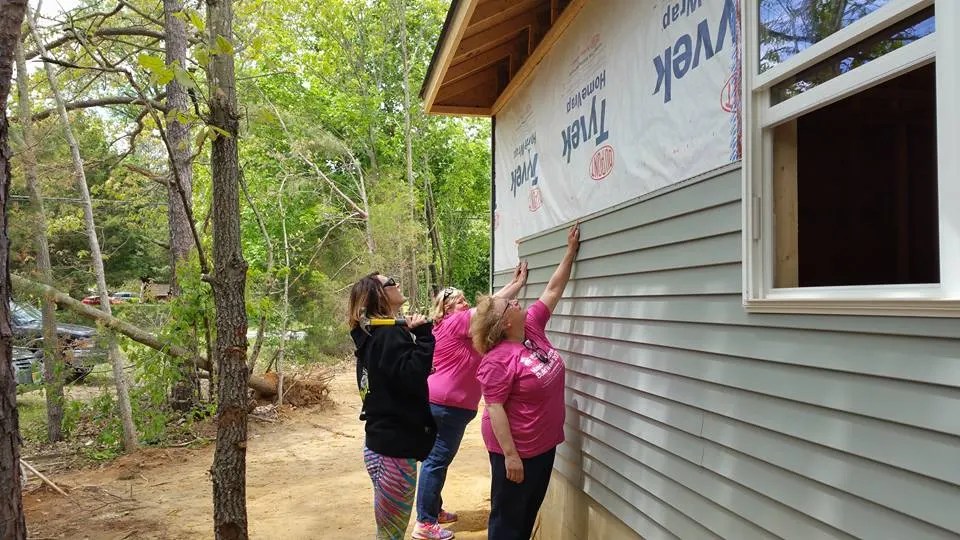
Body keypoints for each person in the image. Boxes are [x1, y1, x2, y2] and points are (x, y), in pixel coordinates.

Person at [470, 222, 580, 540]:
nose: (517, 303)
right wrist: (510, 455)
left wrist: (570, 252)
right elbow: (494, 408)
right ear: (505, 321)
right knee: (507, 523)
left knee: (527, 513)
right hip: (518, 452)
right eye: (511, 304)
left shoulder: (530, 327)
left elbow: (553, 290)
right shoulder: (498, 358)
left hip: (543, 447)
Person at [412, 263, 529, 540]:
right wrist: (518, 285)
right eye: (458, 301)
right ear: (445, 309)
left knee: (436, 458)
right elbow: (491, 307)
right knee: (437, 460)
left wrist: (514, 287)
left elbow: (489, 308)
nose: (465, 303)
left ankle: (433, 509)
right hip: (447, 405)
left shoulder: (447, 326)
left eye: (465, 299)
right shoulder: (456, 322)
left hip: (439, 402)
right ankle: (425, 523)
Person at [349, 272, 436, 540]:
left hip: (383, 445)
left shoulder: (375, 332)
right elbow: (411, 375)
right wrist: (423, 337)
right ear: (379, 294)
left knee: (388, 531)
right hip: (393, 451)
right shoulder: (386, 334)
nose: (397, 284)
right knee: (391, 534)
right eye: (391, 282)